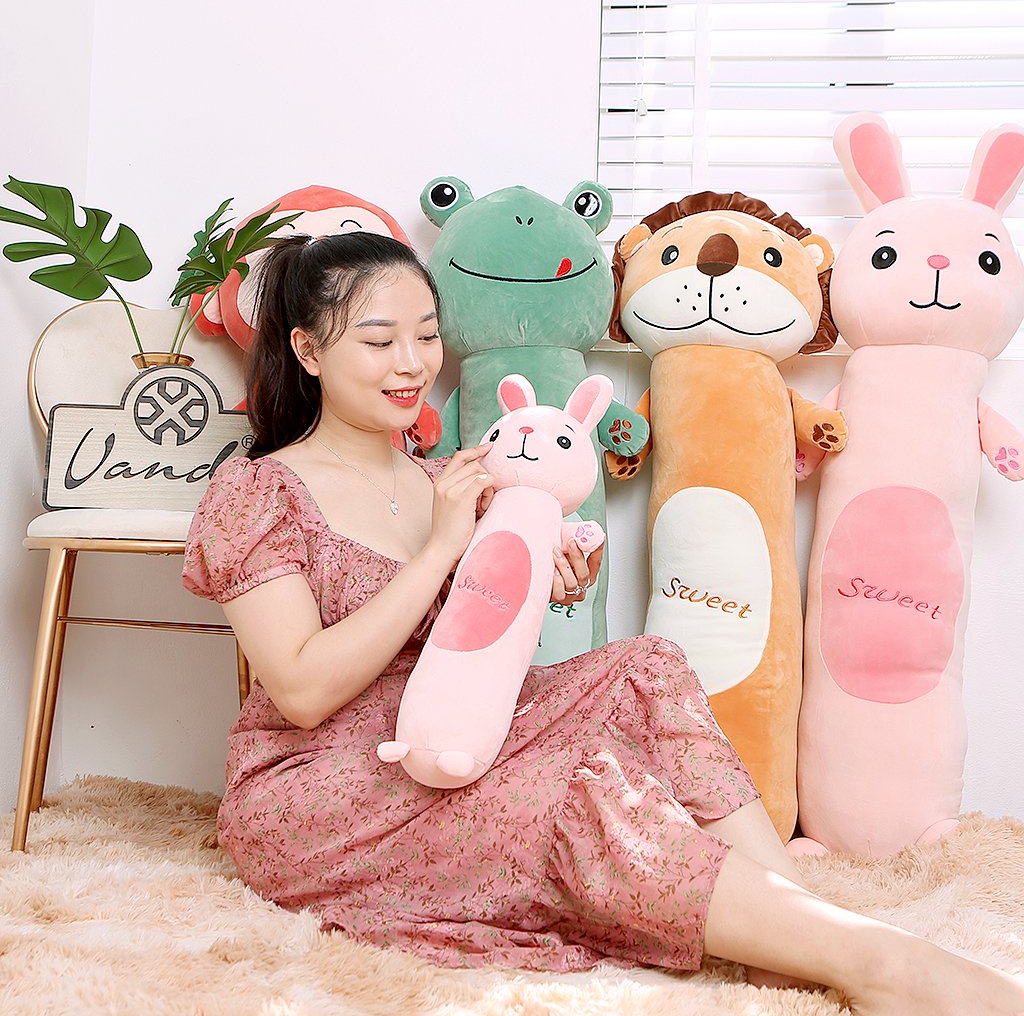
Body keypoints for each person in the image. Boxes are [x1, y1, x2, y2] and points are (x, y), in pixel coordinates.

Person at [183, 231, 1024, 1016]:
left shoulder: (453, 478)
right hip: (328, 785)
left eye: (427, 335)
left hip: (461, 741)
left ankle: (797, 923)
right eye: (379, 341)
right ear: (308, 350)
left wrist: (536, 581)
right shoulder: (259, 492)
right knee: (574, 792)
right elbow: (301, 690)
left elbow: (476, 648)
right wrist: (442, 550)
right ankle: (873, 962)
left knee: (646, 668)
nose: (413, 363)